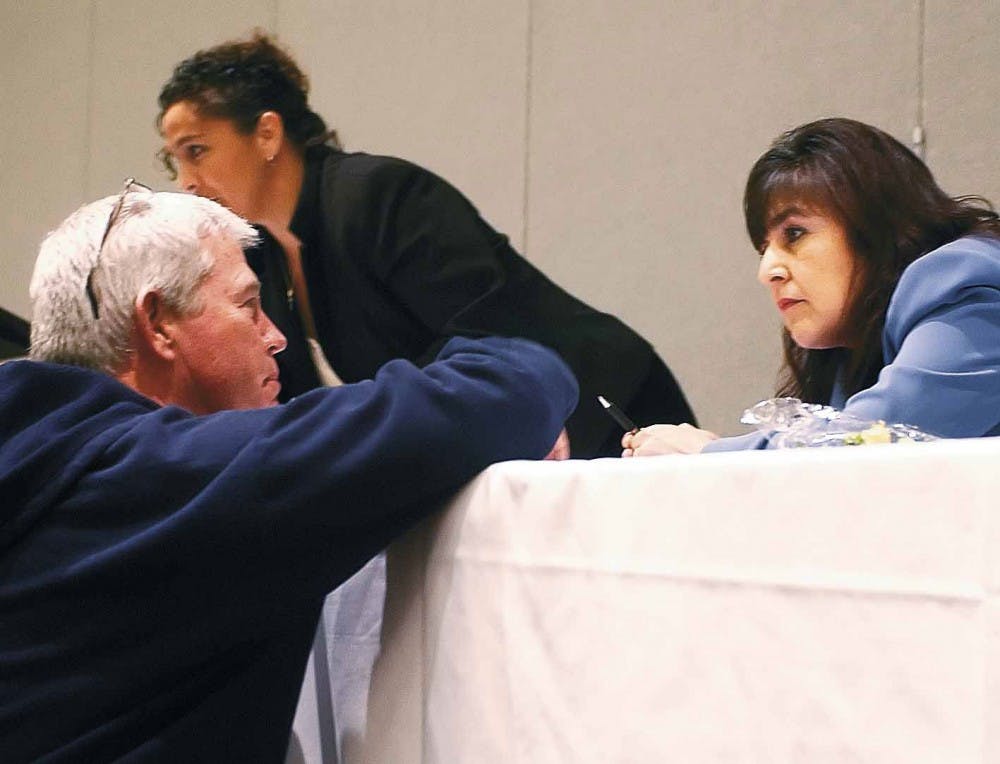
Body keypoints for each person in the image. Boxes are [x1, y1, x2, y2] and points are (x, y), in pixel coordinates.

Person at [0, 184, 577, 762]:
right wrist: (518, 409)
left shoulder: (38, 455)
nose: (276, 336)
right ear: (158, 324)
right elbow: (508, 385)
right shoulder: (165, 479)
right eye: (248, 305)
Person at [155, 31, 694, 460]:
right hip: (517, 436)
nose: (186, 180)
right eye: (173, 160)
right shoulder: (261, 256)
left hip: (605, 408)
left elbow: (488, 331)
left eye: (196, 150)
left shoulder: (378, 194)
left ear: (267, 135)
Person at [623, 117, 1000, 456]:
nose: (768, 270)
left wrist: (709, 455)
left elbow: (877, 439)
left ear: (876, 225)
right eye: (763, 248)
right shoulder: (846, 351)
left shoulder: (964, 281)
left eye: (795, 234)